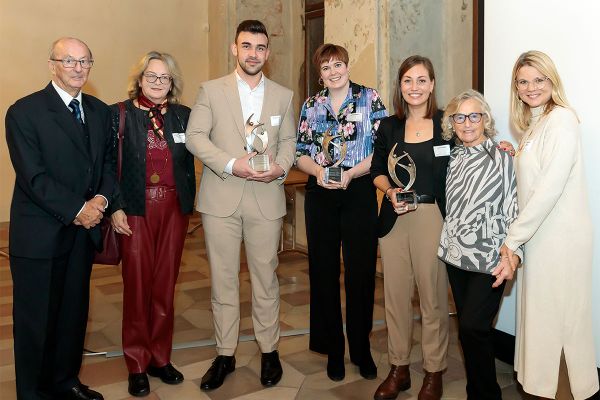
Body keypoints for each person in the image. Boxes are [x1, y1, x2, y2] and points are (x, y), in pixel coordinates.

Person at [185, 20, 296, 391]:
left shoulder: (283, 95)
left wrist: (280, 166)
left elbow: (289, 141)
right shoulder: (211, 90)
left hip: (266, 199)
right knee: (224, 280)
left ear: (268, 52)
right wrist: (234, 164)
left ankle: (269, 351)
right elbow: (195, 138)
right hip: (222, 198)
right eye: (247, 46)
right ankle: (225, 354)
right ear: (235, 49)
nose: (254, 53)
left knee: (266, 279)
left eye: (261, 47)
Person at [5, 37, 113, 400]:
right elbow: (33, 177)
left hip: (83, 235)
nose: (78, 68)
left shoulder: (100, 111)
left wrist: (100, 199)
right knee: (37, 321)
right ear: (52, 65)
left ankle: (66, 381)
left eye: (85, 61)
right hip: (41, 234)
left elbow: (109, 166)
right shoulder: (24, 112)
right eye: (69, 61)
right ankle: (33, 394)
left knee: (72, 316)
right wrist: (78, 210)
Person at [496, 50, 599, 400]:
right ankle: (544, 391)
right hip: (542, 238)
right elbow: (534, 181)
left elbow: (549, 189)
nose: (530, 87)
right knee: (543, 323)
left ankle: (568, 393)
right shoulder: (537, 124)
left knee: (561, 324)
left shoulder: (562, 119)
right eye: (523, 81)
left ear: (552, 81)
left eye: (538, 80)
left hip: (561, 239)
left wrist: (511, 240)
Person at [295, 43, 387, 382]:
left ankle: (360, 350)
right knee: (323, 272)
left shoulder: (370, 98)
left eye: (338, 65)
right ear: (319, 74)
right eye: (326, 67)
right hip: (320, 194)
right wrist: (317, 172)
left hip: (358, 188)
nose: (333, 72)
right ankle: (333, 349)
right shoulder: (311, 105)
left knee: (361, 273)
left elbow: (381, 150)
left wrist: (350, 174)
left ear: (347, 66)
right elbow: (299, 152)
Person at [109, 51, 195, 397]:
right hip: (135, 209)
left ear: (172, 83)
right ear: (140, 79)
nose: (158, 83)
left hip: (174, 209)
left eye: (165, 78)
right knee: (138, 286)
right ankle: (137, 362)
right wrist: (114, 206)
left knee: (164, 284)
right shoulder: (120, 114)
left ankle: (160, 357)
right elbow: (105, 163)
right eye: (152, 76)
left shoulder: (183, 116)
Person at [370, 55, 450, 400]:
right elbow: (376, 169)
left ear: (432, 84)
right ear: (399, 86)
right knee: (396, 298)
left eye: (421, 80)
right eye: (407, 81)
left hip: (433, 217)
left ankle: (434, 372)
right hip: (395, 218)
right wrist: (389, 192)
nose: (414, 88)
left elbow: (472, 150)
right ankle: (399, 368)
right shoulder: (389, 126)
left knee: (432, 299)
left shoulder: (447, 122)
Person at [438, 89, 521, 400]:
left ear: (485, 120)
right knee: (469, 330)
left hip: (490, 257)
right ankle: (478, 391)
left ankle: (488, 394)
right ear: (452, 122)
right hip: (455, 256)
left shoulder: (503, 156)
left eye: (475, 116)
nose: (467, 123)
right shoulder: (453, 155)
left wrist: (513, 254)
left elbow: (514, 209)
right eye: (460, 117)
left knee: (474, 326)